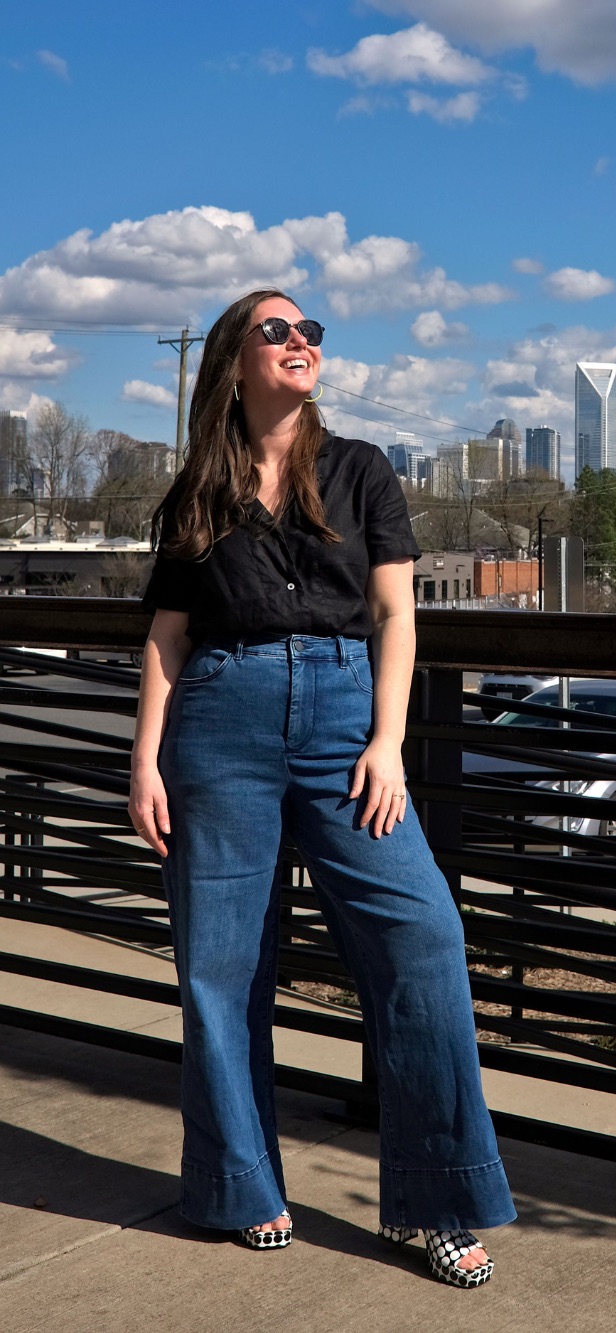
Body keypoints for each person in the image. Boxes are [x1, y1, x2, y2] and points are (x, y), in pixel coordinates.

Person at [129, 287, 514, 1288]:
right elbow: (168, 637)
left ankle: (434, 1199)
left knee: (421, 938)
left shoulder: (359, 469)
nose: (302, 342)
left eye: (311, 332)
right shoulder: (197, 493)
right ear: (234, 358)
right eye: (278, 330)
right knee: (222, 966)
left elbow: (397, 617)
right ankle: (238, 1185)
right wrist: (144, 760)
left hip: (347, 723)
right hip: (219, 722)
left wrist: (388, 741)